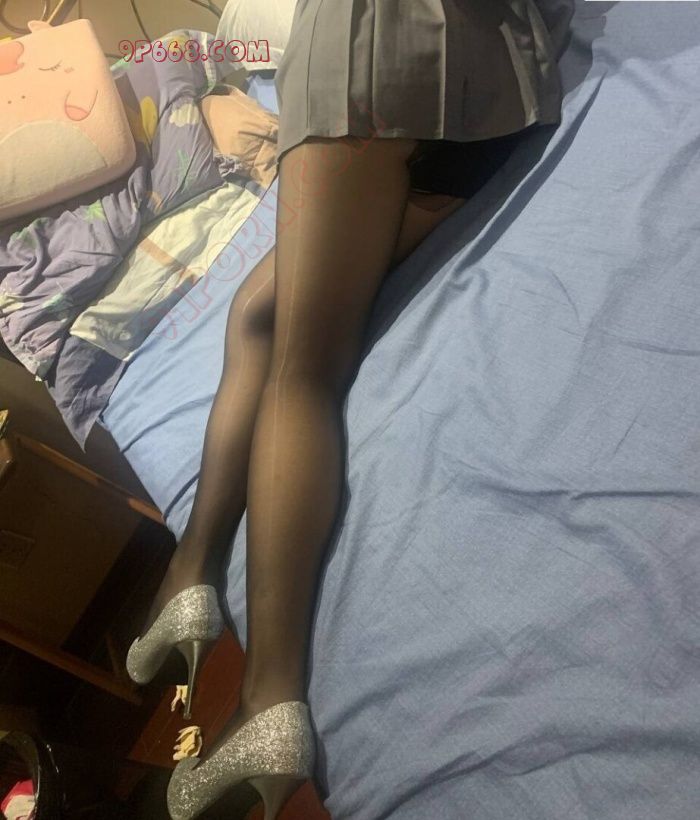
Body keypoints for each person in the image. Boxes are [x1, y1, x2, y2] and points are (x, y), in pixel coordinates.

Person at [126, 2, 573, 818]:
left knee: (303, 371)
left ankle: (268, 697)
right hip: (498, 84)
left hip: (377, 63)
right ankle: (190, 576)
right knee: (254, 315)